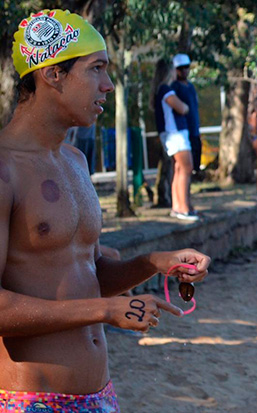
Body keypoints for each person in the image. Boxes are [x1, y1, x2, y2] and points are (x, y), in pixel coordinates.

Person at [0, 9, 210, 411]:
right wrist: (106, 311)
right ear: (52, 74)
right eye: (96, 69)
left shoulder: (75, 162)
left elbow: (86, 275)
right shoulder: (5, 169)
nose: (108, 85)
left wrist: (154, 261)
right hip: (28, 400)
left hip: (100, 394)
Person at [151, 58, 198, 221]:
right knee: (186, 168)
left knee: (178, 169)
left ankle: (178, 206)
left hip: (173, 134)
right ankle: (183, 208)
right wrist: (185, 107)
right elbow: (182, 107)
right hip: (175, 134)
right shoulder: (165, 89)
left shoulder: (160, 90)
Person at [171, 53, 203, 181]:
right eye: (180, 68)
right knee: (183, 168)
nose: (184, 70)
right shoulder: (174, 87)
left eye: (186, 67)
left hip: (194, 131)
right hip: (183, 132)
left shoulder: (191, 86)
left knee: (192, 166)